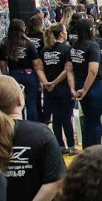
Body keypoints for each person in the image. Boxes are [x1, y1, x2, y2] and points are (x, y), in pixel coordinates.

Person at [69, 18, 102, 147]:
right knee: (97, 121)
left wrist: (73, 88)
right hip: (94, 85)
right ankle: (94, 150)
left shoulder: (74, 45)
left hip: (80, 83)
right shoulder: (93, 46)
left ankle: (87, 148)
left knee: (88, 119)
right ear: (91, 30)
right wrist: (85, 90)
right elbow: (92, 71)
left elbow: (69, 69)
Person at [39, 23, 75, 153]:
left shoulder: (44, 51)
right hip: (63, 88)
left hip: (49, 90)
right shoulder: (66, 49)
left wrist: (46, 83)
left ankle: (60, 146)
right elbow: (67, 70)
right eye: (65, 31)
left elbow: (40, 69)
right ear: (61, 34)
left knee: (56, 118)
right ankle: (71, 146)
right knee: (66, 117)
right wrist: (54, 82)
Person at [0, 18, 44, 122]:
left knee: (16, 104)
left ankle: (20, 124)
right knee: (31, 103)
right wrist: (40, 80)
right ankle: (33, 127)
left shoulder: (5, 44)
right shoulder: (28, 43)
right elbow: (36, 63)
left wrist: (6, 76)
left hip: (14, 74)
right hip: (29, 73)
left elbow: (2, 63)